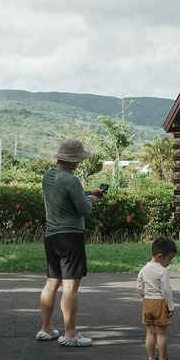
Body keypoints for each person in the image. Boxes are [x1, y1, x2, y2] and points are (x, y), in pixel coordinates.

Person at [35, 138, 105, 347]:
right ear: (73, 160)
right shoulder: (72, 179)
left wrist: (87, 193)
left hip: (52, 236)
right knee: (70, 287)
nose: (79, 164)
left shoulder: (48, 176)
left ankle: (46, 329)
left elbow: (65, 197)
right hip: (71, 236)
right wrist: (92, 200)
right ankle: (70, 334)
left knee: (51, 283)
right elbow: (83, 209)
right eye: (78, 160)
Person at [137, 236, 177, 360]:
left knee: (149, 332)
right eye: (169, 259)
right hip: (160, 303)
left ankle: (151, 358)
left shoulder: (144, 269)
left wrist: (145, 296)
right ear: (160, 257)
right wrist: (170, 306)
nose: (169, 262)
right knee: (160, 333)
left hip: (147, 302)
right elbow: (166, 291)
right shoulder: (162, 271)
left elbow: (139, 286)